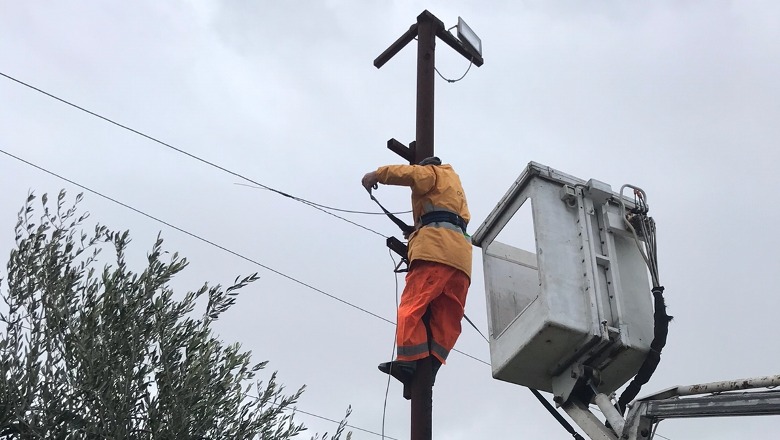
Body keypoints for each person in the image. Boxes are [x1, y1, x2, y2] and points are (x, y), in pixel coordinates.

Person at [361, 157, 472, 385]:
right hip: (461, 260)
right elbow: (445, 217)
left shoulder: (432, 172)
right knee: (447, 317)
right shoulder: (454, 187)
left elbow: (410, 174)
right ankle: (432, 366)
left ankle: (408, 362)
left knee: (412, 306)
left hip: (435, 253)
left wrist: (377, 174)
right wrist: (418, 229)